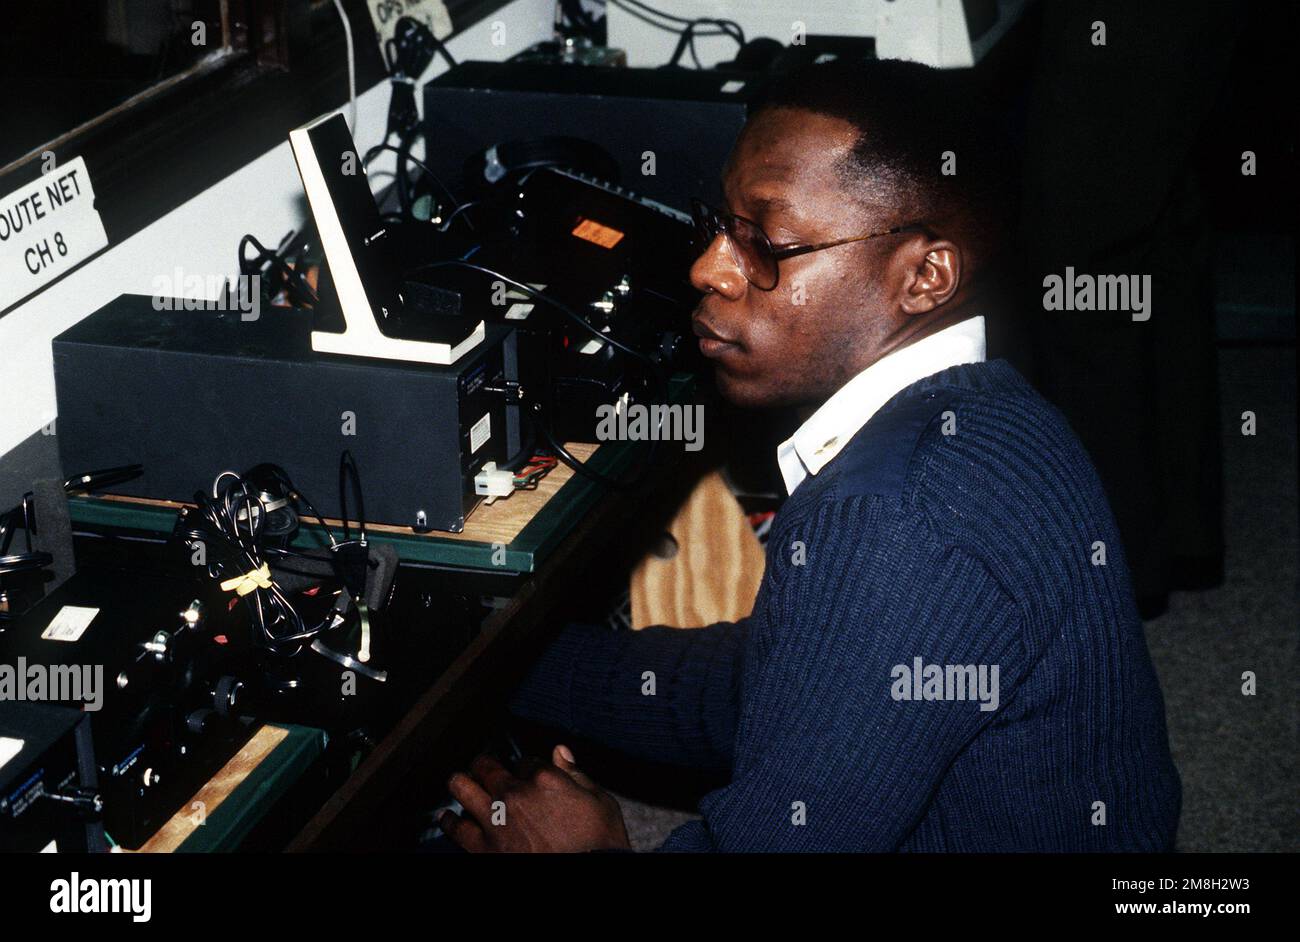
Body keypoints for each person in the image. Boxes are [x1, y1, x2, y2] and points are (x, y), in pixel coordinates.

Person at [437, 59, 1182, 853]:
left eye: (764, 242)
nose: (707, 269)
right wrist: (501, 666)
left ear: (925, 276)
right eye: (718, 227)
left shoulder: (893, 524)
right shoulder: (997, 412)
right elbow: (781, 685)